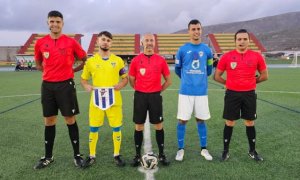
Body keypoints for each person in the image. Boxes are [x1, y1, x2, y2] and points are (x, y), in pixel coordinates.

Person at [33, 10, 87, 169]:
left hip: (66, 85)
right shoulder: (40, 43)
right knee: (49, 120)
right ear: (47, 23)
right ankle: (48, 157)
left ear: (62, 24)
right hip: (48, 86)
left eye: (58, 21)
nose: (55, 24)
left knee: (70, 119)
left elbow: (84, 59)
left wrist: (73, 71)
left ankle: (77, 156)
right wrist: (47, 72)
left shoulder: (71, 42)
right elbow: (37, 62)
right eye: (52, 21)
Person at [214, 29, 268, 161]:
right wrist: (228, 83)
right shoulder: (227, 56)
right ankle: (225, 151)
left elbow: (265, 76)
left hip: (249, 94)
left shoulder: (256, 56)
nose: (242, 41)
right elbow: (217, 76)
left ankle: (252, 151)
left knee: (249, 122)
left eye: (245, 39)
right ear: (235, 41)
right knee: (229, 122)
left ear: (249, 41)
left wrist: (251, 82)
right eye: (239, 39)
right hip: (232, 94)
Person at [80, 31, 128, 168]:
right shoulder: (90, 61)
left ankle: (117, 154)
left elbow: (125, 79)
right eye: (103, 39)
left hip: (114, 99)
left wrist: (120, 85)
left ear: (111, 43)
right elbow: (83, 79)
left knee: (116, 127)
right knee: (93, 128)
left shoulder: (118, 61)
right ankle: (91, 155)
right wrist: (86, 85)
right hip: (96, 100)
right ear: (98, 41)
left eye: (108, 40)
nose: (105, 42)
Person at [129, 33, 172, 167]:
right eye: (146, 40)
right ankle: (137, 155)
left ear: (154, 43)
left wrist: (158, 90)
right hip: (140, 96)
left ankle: (162, 154)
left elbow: (168, 80)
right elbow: (131, 79)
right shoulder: (136, 60)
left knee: (158, 125)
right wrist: (139, 89)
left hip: (155, 97)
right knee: (138, 126)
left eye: (151, 40)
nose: (149, 42)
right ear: (142, 43)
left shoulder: (161, 60)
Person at [174, 19, 213, 161]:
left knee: (201, 120)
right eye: (193, 29)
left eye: (198, 29)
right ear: (188, 31)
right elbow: (178, 70)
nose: (196, 32)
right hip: (185, 91)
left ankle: (204, 149)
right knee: (182, 120)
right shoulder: (182, 50)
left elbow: (209, 70)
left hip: (201, 92)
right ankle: (180, 150)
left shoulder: (207, 50)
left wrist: (199, 79)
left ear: (201, 30)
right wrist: (187, 79)